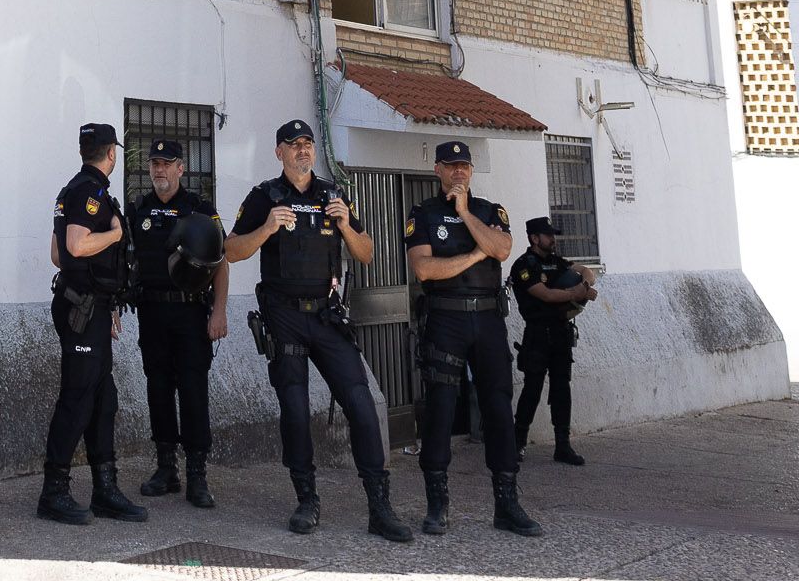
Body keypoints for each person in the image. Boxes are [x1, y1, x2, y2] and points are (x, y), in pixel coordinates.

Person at [222, 118, 414, 542]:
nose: (303, 150)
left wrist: (346, 225)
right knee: (294, 409)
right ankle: (307, 499)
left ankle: (379, 507)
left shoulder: (333, 194)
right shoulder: (263, 197)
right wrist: (267, 228)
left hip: (327, 316)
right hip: (285, 317)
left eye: (307, 143)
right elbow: (231, 251)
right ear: (279, 152)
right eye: (293, 144)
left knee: (361, 404)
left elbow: (366, 254)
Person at [404, 139, 541, 537]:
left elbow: (503, 248)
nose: (459, 172)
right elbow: (426, 270)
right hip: (445, 320)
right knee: (441, 409)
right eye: (451, 166)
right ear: (438, 171)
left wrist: (465, 214)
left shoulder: (488, 211)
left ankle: (507, 504)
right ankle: (437, 505)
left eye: (464, 166)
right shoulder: (423, 214)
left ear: (471, 170)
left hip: (488, 321)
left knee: (499, 407)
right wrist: (478, 253)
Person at [39, 122, 148, 525]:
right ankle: (54, 491)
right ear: (112, 154)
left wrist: (107, 301)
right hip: (82, 311)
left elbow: (57, 255)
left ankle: (105, 489)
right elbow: (74, 246)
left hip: (92, 308)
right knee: (78, 398)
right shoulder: (90, 192)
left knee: (104, 402)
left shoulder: (71, 189)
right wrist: (116, 235)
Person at [127, 138, 229, 508]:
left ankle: (198, 475)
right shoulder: (138, 209)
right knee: (158, 390)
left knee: (192, 392)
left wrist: (219, 311)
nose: (159, 170)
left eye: (167, 163)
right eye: (154, 163)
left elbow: (221, 260)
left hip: (189, 314)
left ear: (181, 169)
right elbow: (125, 260)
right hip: (152, 314)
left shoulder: (198, 209)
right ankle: (166, 468)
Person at [510, 216, 596, 466]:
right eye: (548, 235)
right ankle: (518, 444)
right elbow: (544, 294)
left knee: (561, 389)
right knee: (532, 390)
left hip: (560, 334)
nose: (553, 239)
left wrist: (586, 285)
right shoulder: (524, 266)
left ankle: (563, 445)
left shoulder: (557, 263)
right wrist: (576, 293)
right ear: (535, 238)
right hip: (537, 335)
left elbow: (586, 271)